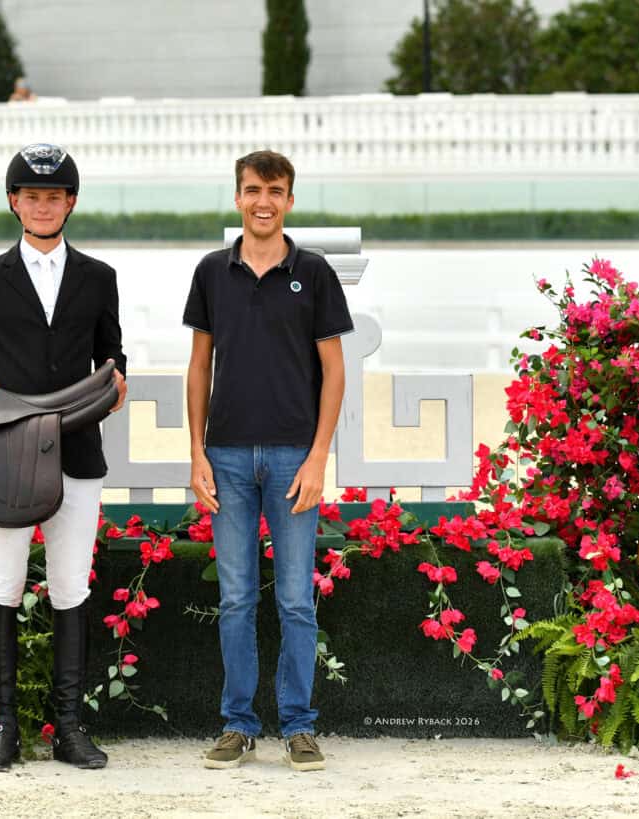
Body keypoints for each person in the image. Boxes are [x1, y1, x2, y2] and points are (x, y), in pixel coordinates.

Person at [0, 143, 127, 773]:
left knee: (71, 587)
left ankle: (70, 728)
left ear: (70, 202)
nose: (42, 205)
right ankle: (5, 729)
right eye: (31, 196)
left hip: (76, 449)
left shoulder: (99, 277)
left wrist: (118, 380)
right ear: (13, 203)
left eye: (54, 196)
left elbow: (112, 353)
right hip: (6, 453)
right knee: (3, 584)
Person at [183, 150, 353, 772]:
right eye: (253, 190)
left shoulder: (314, 272)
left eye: (275, 191)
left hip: (291, 458)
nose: (263, 201)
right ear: (238, 198)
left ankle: (300, 727)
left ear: (288, 200)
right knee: (234, 599)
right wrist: (196, 451)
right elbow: (200, 366)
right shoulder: (210, 272)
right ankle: (237, 724)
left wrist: (317, 458)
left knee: (295, 601)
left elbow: (333, 374)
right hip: (225, 456)